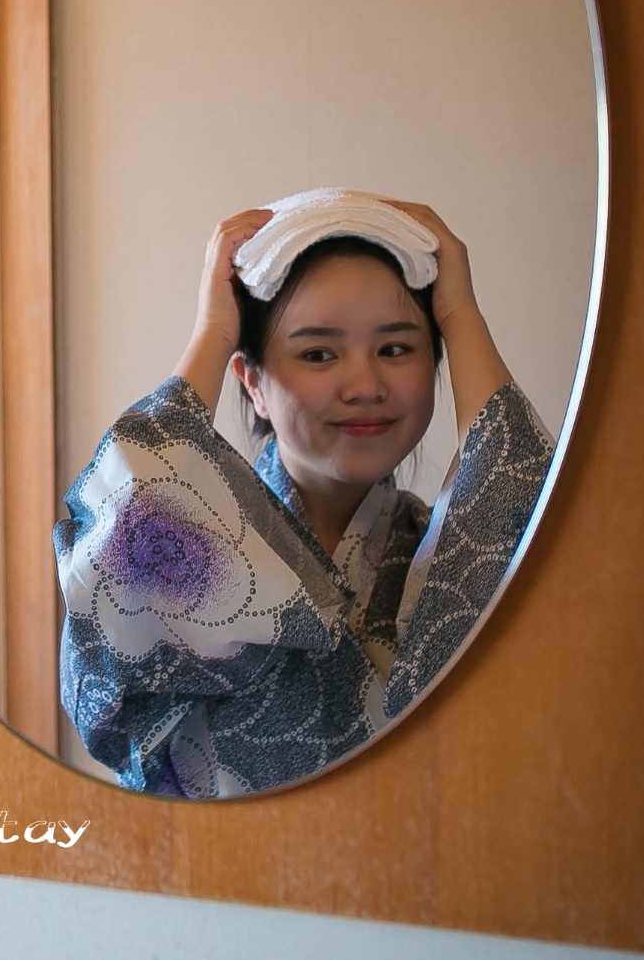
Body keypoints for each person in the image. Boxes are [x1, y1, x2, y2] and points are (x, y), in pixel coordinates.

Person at [55, 190, 555, 797]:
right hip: (214, 859)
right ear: (253, 382)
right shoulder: (196, 545)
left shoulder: (452, 552)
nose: (365, 384)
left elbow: (534, 515)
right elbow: (126, 532)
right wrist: (214, 330)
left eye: (396, 349)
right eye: (318, 353)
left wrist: (461, 313)